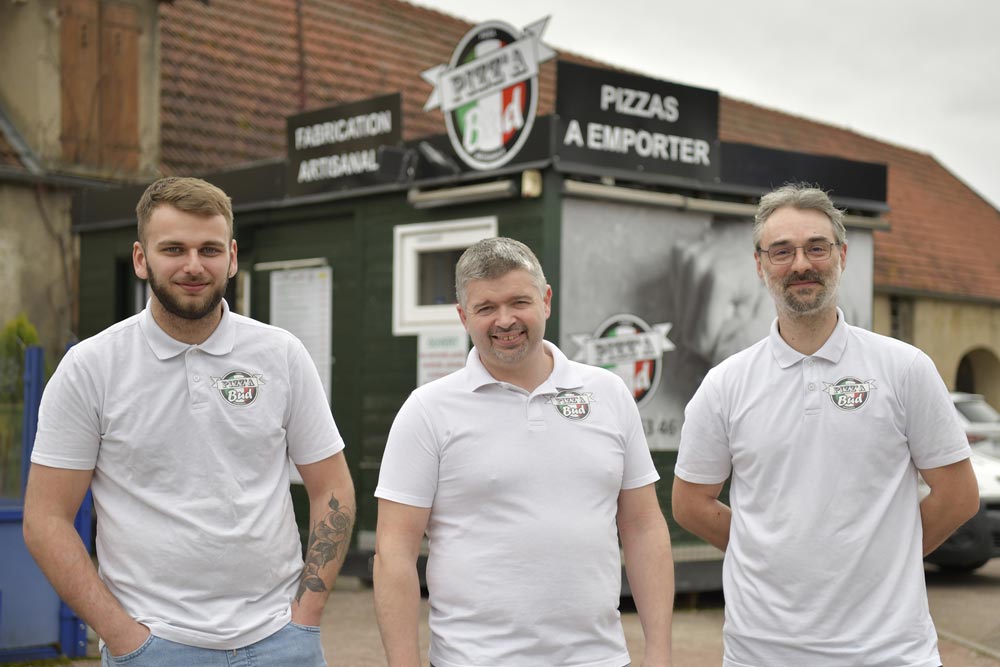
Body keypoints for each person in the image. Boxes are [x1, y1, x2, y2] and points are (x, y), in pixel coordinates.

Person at [23, 176, 355, 666]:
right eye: (174, 248)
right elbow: (45, 519)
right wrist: (123, 636)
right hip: (155, 647)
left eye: (210, 249)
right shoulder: (91, 368)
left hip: (282, 643)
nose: (194, 266)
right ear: (141, 258)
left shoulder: (280, 355)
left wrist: (306, 616)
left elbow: (333, 486)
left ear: (233, 257)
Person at [672, 182, 980, 667]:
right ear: (759, 264)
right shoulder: (725, 384)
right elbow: (690, 504)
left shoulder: (904, 368)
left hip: (888, 652)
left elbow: (958, 496)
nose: (801, 264)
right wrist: (774, 556)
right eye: (782, 251)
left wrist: (883, 561)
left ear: (841, 255)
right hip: (762, 652)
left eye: (816, 247)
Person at [373, 237, 674, 667]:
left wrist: (659, 655)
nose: (505, 320)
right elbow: (393, 552)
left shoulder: (608, 393)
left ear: (546, 300)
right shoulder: (427, 410)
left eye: (519, 302)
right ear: (463, 316)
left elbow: (644, 527)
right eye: (486, 308)